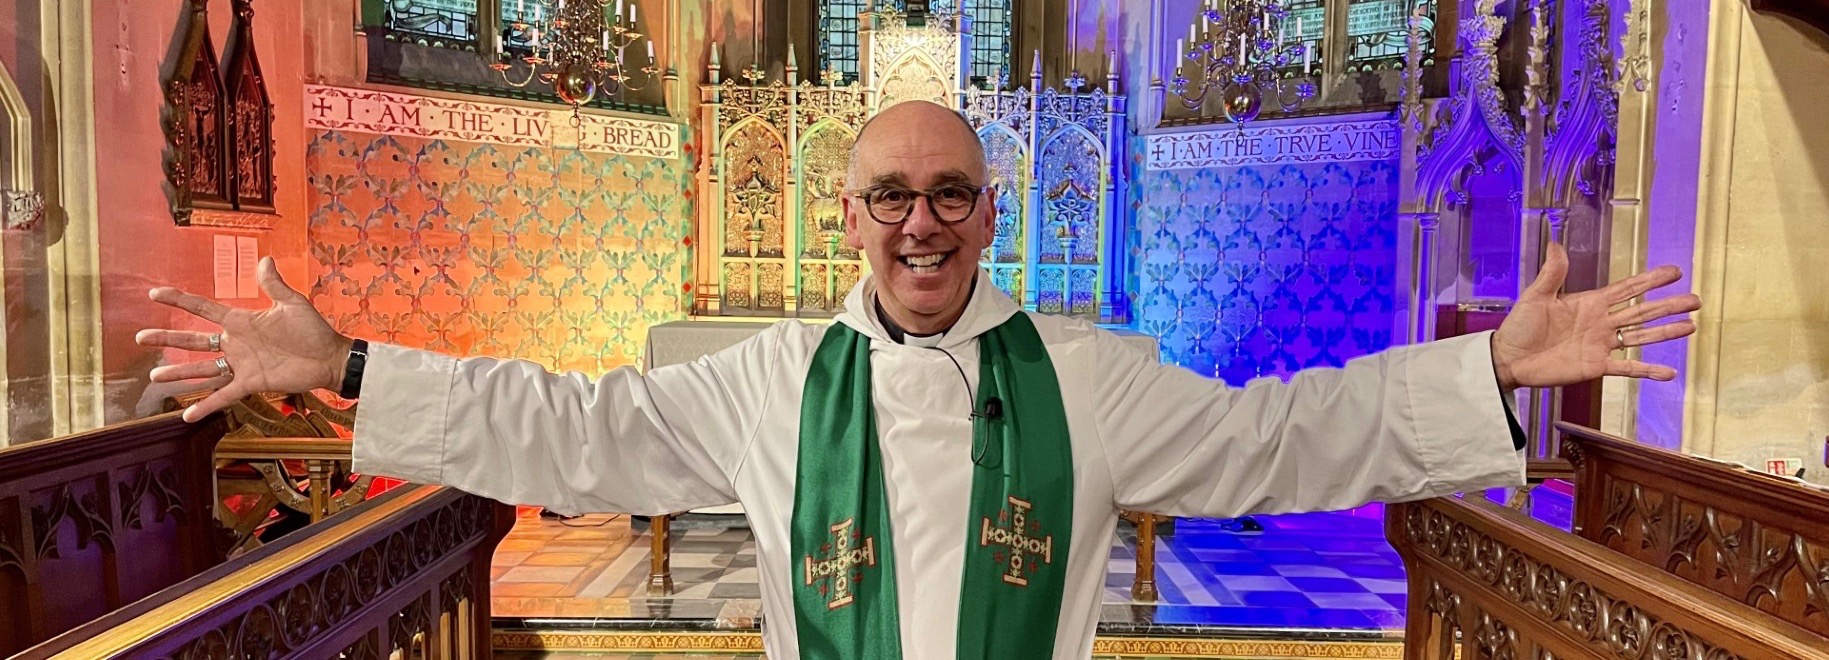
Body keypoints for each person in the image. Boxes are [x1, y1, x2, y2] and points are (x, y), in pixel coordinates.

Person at [136, 101, 1700, 660]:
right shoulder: (769, 376)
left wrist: (1487, 369)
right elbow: (576, 428)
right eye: (890, 198)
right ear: (848, 217)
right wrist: (345, 362)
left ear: (990, 213)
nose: (920, 225)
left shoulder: (1086, 376)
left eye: (950, 195)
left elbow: (1282, 439)